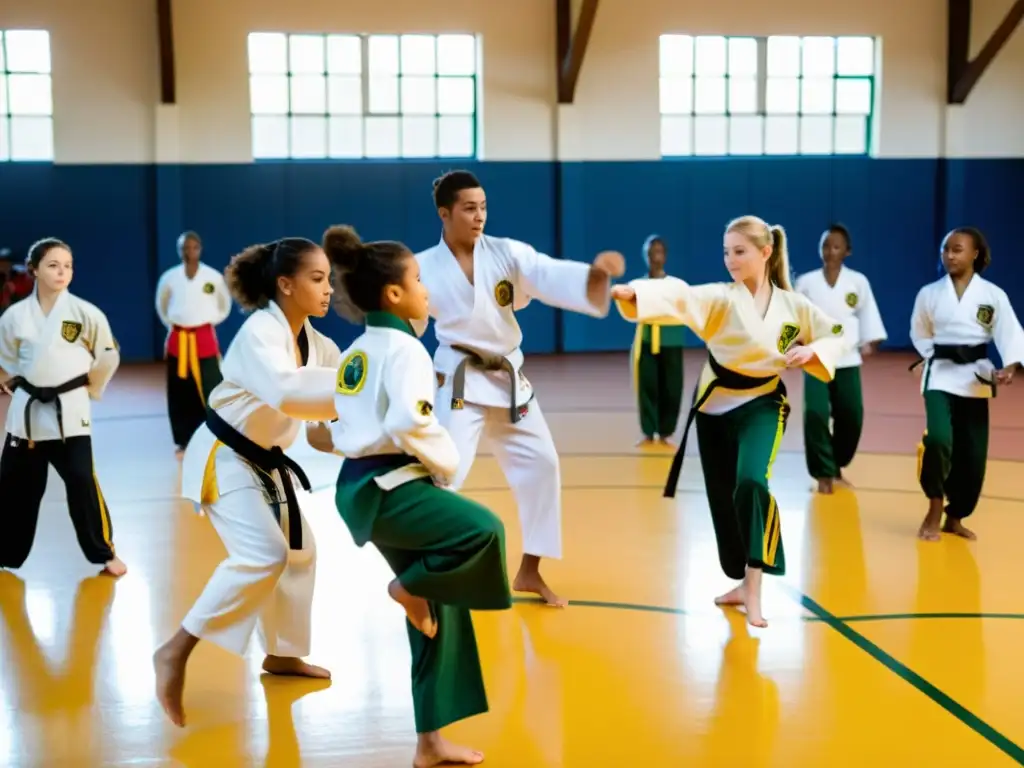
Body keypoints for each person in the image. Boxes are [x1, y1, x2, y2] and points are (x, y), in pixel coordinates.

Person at [322, 224, 511, 768]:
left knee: (439, 606)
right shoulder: (403, 348)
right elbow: (410, 421)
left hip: (362, 488)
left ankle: (430, 743)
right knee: (484, 530)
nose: (427, 291)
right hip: (389, 487)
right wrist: (447, 465)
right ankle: (407, 587)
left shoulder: (359, 351)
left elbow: (344, 424)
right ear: (394, 295)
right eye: (420, 280)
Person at [611, 216, 849, 627]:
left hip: (763, 404)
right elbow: (681, 296)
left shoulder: (794, 307)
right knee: (724, 503)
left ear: (765, 252)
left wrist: (813, 353)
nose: (730, 260)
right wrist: (637, 293)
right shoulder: (722, 298)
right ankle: (740, 580)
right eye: (726, 252)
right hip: (714, 408)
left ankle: (755, 589)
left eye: (739, 251)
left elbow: (835, 333)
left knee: (752, 483)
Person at [412, 169, 625, 607]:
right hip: (459, 381)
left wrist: (595, 277)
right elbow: (408, 322)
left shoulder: (507, 254)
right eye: (469, 208)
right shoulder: (422, 266)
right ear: (444, 213)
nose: (479, 216)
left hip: (509, 381)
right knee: (444, 474)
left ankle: (530, 571)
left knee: (543, 465)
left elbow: (546, 274)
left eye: (484, 207)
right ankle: (427, 573)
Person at [152, 237, 342, 728]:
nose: (328, 289)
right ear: (285, 284)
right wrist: (357, 385)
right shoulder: (261, 332)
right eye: (317, 279)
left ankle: (282, 655)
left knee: (301, 553)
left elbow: (323, 432)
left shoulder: (321, 346)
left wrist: (376, 429)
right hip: (225, 454)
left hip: (267, 460)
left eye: (329, 279)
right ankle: (175, 651)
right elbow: (288, 391)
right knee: (266, 554)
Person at [0, 238, 125, 576]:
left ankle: (104, 553)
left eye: (67, 265)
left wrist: (90, 388)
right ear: (34, 270)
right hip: (26, 418)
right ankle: (6, 554)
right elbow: (6, 360)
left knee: (82, 482)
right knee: (14, 489)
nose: (62, 271)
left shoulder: (85, 313)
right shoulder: (14, 316)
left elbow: (108, 356)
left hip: (70, 414)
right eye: (53, 265)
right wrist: (14, 381)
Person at [910, 226, 1024, 542]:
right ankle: (934, 507)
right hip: (940, 374)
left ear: (975, 253)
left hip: (976, 377)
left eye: (957, 249)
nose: (949, 255)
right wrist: (932, 353)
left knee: (972, 454)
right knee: (939, 440)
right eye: (946, 249)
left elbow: (1011, 334)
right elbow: (919, 332)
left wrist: (1010, 367)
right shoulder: (929, 294)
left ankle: (955, 516)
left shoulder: (992, 295)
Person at [794, 224, 887, 493]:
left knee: (851, 415)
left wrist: (871, 340)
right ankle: (823, 474)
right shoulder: (806, 283)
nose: (830, 251)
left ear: (847, 251)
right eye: (825, 245)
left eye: (836, 246)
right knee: (816, 413)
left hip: (847, 358)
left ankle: (836, 463)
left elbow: (868, 313)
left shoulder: (858, 282)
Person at [155, 231, 232, 451]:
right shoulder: (169, 277)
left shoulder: (212, 277)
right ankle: (184, 437)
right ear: (179, 251)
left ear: (200, 248)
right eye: (185, 248)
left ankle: (215, 432)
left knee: (211, 385)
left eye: (193, 247)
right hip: (179, 337)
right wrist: (174, 324)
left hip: (204, 336)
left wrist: (209, 321)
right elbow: (162, 306)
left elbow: (224, 305)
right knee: (180, 390)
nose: (189, 252)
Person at [631, 234, 685, 445]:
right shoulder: (638, 285)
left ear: (666, 256)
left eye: (660, 252)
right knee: (647, 386)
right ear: (646, 256)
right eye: (652, 252)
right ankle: (648, 430)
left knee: (671, 388)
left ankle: (666, 430)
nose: (656, 256)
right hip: (646, 340)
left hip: (671, 340)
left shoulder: (675, 285)